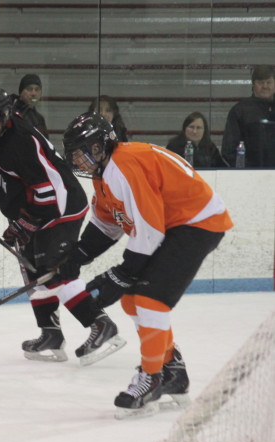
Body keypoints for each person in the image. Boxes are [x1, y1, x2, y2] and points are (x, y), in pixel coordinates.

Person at [61, 112, 233, 418]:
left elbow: (150, 231)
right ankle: (173, 371)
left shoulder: (123, 165)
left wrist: (124, 272)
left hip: (198, 223)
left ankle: (152, 377)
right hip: (176, 225)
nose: (79, 160)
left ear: (102, 145)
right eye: (74, 153)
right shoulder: (105, 175)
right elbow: (107, 226)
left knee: (150, 301)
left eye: (83, 151)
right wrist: (73, 258)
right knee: (131, 300)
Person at [0, 88, 125, 366]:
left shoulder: (20, 140)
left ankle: (101, 325)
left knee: (55, 271)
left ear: (5, 116)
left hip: (59, 208)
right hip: (36, 212)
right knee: (32, 272)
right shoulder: (2, 137)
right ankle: (51, 334)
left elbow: (47, 188)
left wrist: (27, 223)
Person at [221, 65, 275, 167]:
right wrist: (246, 171)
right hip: (250, 175)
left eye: (269, 82)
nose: (265, 86)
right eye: (260, 82)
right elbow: (229, 149)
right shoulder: (240, 111)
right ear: (253, 85)